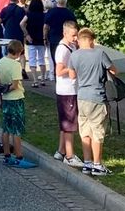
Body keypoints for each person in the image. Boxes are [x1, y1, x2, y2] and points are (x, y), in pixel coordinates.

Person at [67, 28, 117, 176]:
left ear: (80, 40)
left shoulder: (74, 55)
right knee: (98, 132)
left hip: (81, 97)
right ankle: (97, 165)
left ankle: (87, 163)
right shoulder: (99, 54)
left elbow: (72, 75)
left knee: (85, 131)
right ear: (90, 39)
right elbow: (114, 71)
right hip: (97, 97)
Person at [0, 40, 37, 168]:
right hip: (16, 99)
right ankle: (19, 157)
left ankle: (7, 155)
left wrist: (1, 96)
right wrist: (8, 88)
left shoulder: (1, 61)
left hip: (6, 99)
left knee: (6, 129)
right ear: (19, 52)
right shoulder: (16, 65)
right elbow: (14, 85)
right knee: (17, 130)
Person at [52, 19, 85, 166]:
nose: (75, 38)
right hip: (67, 90)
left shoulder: (70, 46)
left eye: (76, 35)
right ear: (65, 33)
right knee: (70, 124)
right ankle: (70, 156)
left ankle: (61, 151)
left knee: (66, 123)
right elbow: (59, 71)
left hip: (70, 89)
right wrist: (73, 68)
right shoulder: (63, 49)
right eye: (73, 35)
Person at [43, 0, 75, 75]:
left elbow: (46, 27)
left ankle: (57, 80)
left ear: (56, 0)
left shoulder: (51, 12)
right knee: (68, 61)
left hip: (54, 39)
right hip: (67, 40)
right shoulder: (70, 13)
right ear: (66, 1)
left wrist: (44, 38)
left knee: (55, 61)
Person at [21, 0, 48, 85]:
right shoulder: (44, 15)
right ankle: (43, 79)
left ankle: (35, 80)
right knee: (42, 59)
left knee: (32, 60)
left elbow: (21, 24)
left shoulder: (28, 14)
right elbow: (46, 26)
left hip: (31, 39)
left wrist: (26, 34)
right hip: (41, 39)